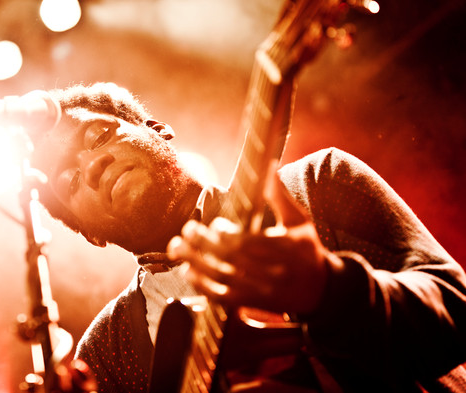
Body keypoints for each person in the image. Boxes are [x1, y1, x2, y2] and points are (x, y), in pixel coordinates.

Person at [29, 81, 466, 392]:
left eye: (99, 133)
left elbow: (456, 312)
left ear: (157, 132)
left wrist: (329, 288)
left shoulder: (317, 182)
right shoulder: (106, 351)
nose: (91, 166)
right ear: (91, 236)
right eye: (69, 181)